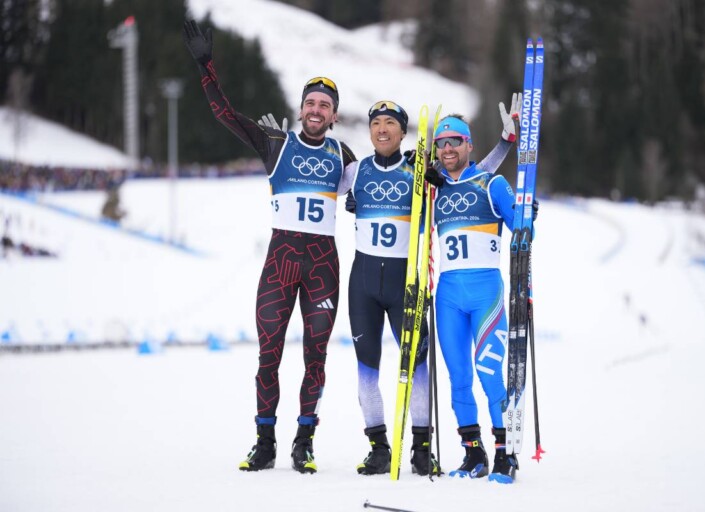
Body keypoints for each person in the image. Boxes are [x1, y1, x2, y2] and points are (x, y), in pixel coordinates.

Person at [183, 20, 357, 475]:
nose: (317, 109)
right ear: (300, 109)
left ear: (334, 115)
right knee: (268, 357)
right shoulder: (275, 144)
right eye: (311, 102)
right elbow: (225, 115)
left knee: (315, 358)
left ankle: (304, 443)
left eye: (325, 105)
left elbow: (374, 196)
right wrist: (206, 66)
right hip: (280, 265)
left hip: (323, 266)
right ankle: (264, 443)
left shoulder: (345, 156)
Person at [343, 100, 437, 476]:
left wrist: (507, 145)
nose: (382, 129)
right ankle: (379, 447)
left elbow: (467, 175)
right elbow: (312, 180)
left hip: (405, 284)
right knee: (366, 368)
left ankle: (420, 447)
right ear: (369, 131)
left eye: (390, 123)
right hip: (362, 284)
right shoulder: (357, 171)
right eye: (376, 123)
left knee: (417, 365)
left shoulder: (418, 169)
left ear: (402, 131)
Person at [428, 112, 524, 481]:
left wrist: (525, 215)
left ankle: (505, 453)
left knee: (489, 373)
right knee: (459, 377)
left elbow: (519, 227)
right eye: (442, 142)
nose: (448, 148)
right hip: (448, 295)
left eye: (456, 141)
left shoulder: (491, 183)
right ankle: (474, 453)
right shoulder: (433, 191)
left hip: (486, 292)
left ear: (469, 144)